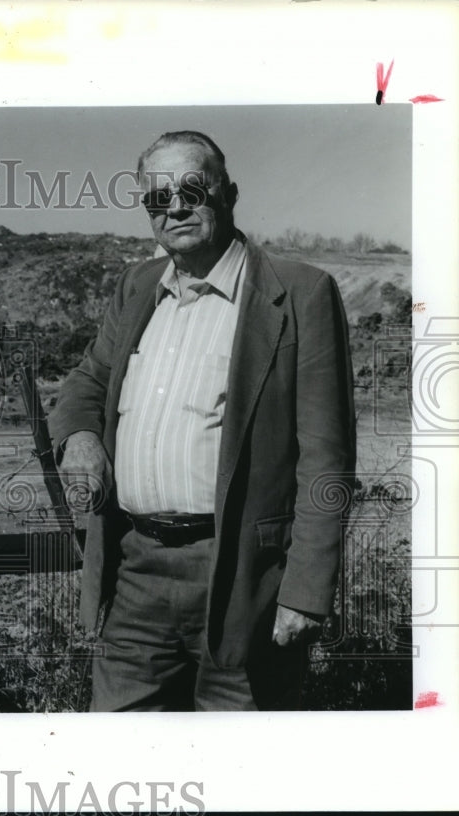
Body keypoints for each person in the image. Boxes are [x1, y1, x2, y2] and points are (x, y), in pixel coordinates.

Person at [48, 131, 356, 711]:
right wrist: (81, 438)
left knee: (241, 768)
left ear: (229, 193)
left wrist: (306, 593)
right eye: (157, 199)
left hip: (242, 578)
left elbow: (327, 455)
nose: (176, 208)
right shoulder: (138, 286)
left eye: (192, 188)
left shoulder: (300, 293)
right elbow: (88, 380)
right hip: (135, 570)